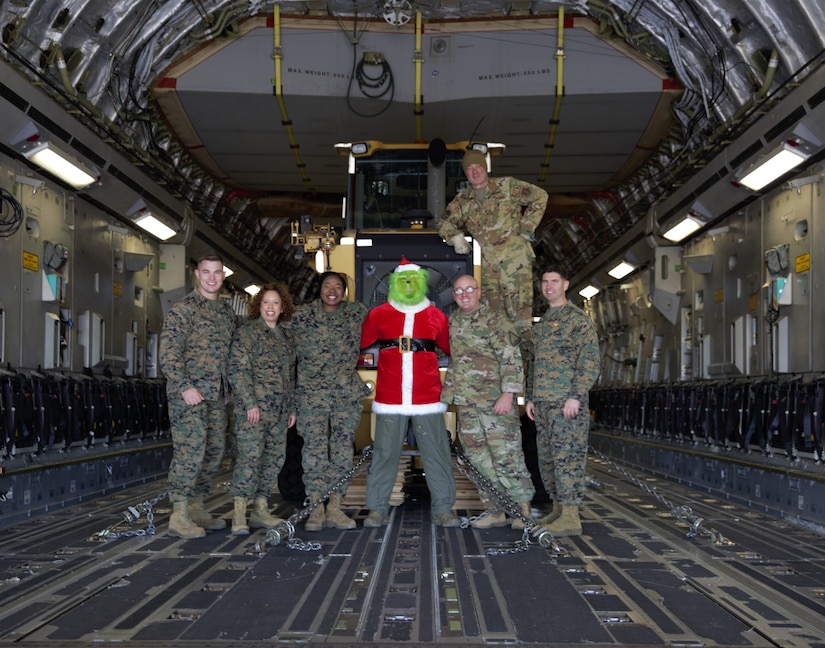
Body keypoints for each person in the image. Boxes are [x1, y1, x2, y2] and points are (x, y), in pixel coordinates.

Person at [360, 258, 459, 528]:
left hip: (426, 397)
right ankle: (377, 509)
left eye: (412, 280)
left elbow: (455, 350)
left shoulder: (436, 317)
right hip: (390, 397)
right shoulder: (378, 315)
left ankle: (443, 508)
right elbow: (356, 344)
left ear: (421, 284)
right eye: (402, 280)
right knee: (384, 454)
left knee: (436, 453)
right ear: (394, 284)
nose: (407, 285)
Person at [441, 275, 535, 529]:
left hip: (495, 402)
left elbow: (511, 359)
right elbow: (456, 361)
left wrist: (509, 394)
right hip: (467, 403)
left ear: (479, 292)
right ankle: (495, 509)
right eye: (459, 290)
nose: (464, 294)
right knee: (478, 458)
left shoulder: (497, 321)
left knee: (506, 455)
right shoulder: (454, 321)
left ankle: (522, 509)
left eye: (469, 289)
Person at [160, 253, 236, 539]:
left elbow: (229, 356)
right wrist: (184, 385)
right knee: (190, 453)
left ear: (223, 275)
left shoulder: (227, 314)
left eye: (217, 272)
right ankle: (178, 514)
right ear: (197, 274)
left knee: (215, 451)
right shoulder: (183, 310)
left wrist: (227, 390)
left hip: (217, 396)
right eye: (207, 272)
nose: (212, 278)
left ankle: (196, 505)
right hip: (188, 396)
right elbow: (168, 354)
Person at [439, 150, 548, 342]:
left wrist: (527, 226)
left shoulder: (507, 186)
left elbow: (540, 196)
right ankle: (502, 369)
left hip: (516, 265)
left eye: (478, 166)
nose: (474, 171)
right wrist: (454, 237)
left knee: (521, 322)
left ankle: (524, 369)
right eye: (469, 169)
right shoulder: (462, 201)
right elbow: (443, 223)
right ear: (465, 173)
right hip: (488, 271)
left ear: (486, 168)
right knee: (496, 322)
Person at [289, 271, 368, 531]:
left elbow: (389, 320)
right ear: (320, 288)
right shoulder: (301, 317)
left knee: (342, 449)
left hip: (345, 394)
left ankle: (335, 505)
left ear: (344, 291)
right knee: (313, 450)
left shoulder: (356, 313)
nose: (332, 290)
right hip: (311, 395)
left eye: (338, 286)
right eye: (327, 285)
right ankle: (315, 508)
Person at [525, 268, 601, 537]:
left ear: (565, 285)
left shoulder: (577, 320)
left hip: (565, 403)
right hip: (544, 404)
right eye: (545, 282)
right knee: (547, 459)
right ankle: (557, 509)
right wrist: (530, 397)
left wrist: (576, 396)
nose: (549, 286)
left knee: (567, 458)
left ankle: (571, 515)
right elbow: (534, 363)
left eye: (554, 282)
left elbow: (590, 361)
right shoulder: (543, 323)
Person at [227, 283, 296, 535]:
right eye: (266, 302)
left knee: (273, 461)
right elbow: (237, 370)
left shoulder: (286, 338)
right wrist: (250, 403)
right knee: (250, 460)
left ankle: (260, 509)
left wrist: (291, 409)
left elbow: (290, 376)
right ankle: (238, 514)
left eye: (275, 303)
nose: (270, 307)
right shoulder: (247, 333)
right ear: (258, 306)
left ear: (282, 308)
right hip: (253, 412)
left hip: (278, 413)